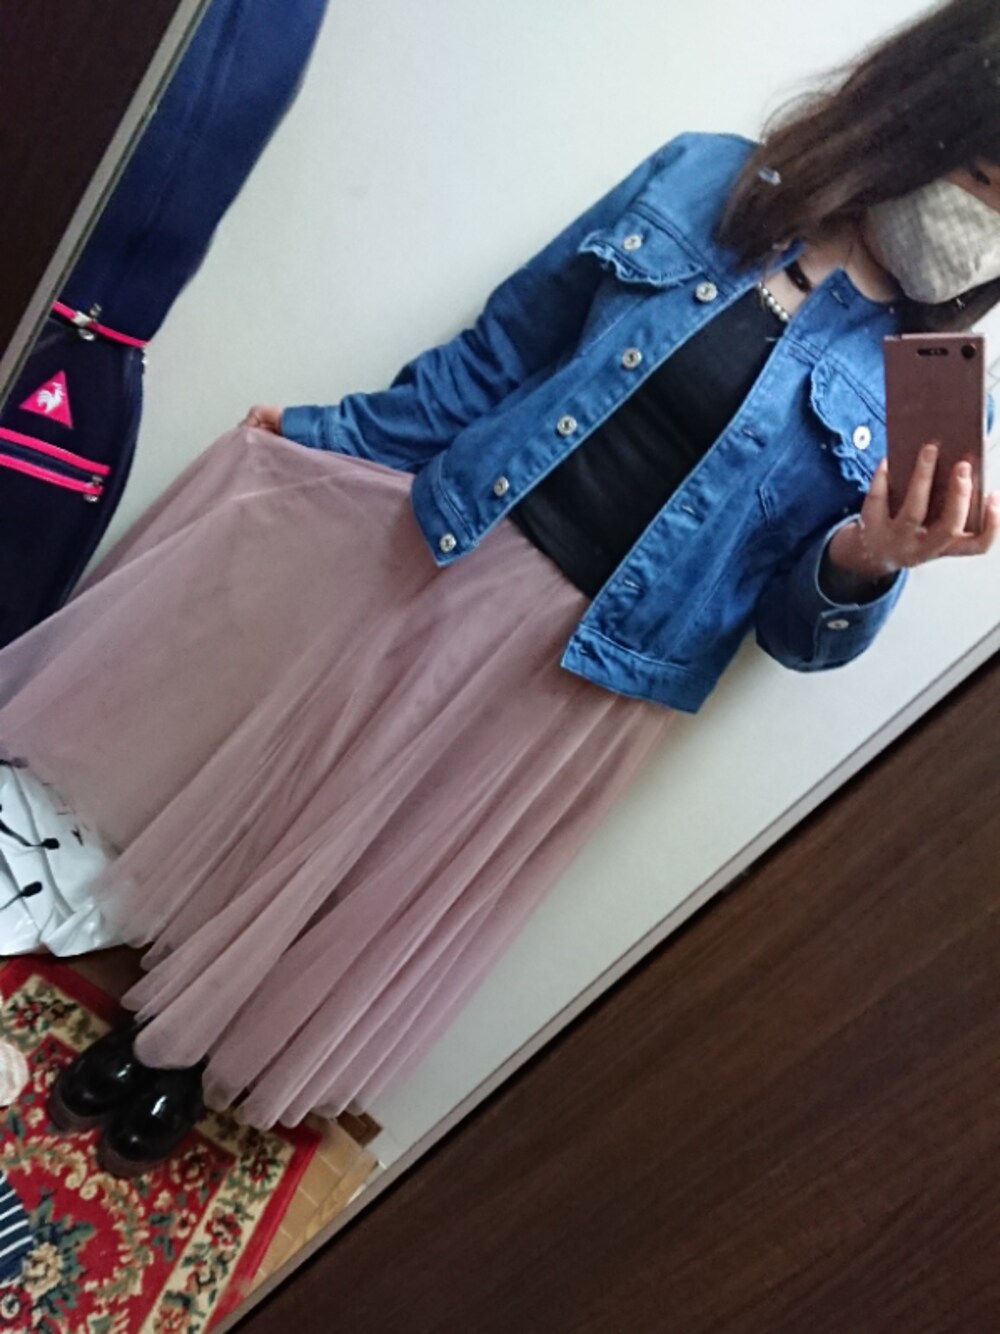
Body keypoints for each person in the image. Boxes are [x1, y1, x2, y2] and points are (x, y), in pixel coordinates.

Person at [3, 0, 1000, 1176]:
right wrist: (328, 434)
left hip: (594, 679)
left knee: (377, 873)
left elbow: (799, 633)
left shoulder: (942, 388)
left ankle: (180, 1054)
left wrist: (867, 561)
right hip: (457, 558)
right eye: (987, 180)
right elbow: (500, 353)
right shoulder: (706, 181)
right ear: (919, 115)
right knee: (301, 794)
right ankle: (157, 995)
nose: (987, 227)